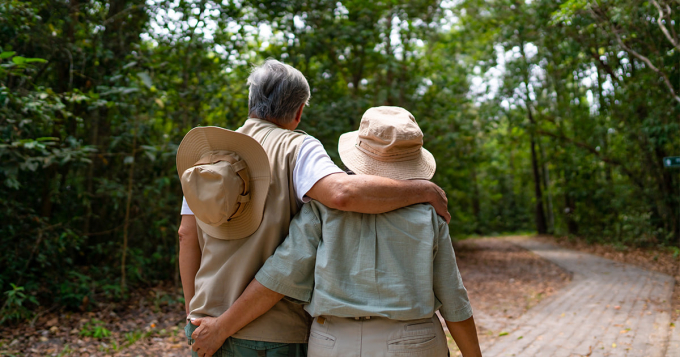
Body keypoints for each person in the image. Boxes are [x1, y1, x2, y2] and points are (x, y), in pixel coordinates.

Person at [177, 60, 452, 357]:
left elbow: (186, 235)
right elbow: (341, 194)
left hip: (205, 330)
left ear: (251, 100)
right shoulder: (298, 148)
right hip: (276, 334)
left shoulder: (210, 156)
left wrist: (195, 315)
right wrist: (423, 189)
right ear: (298, 112)